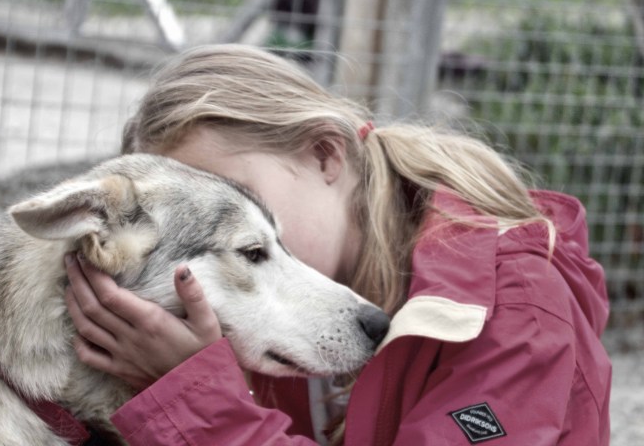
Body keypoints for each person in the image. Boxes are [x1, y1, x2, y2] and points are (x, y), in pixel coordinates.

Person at [64, 44, 612, 445]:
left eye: (246, 211)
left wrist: (196, 398)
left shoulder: (516, 305)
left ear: (326, 155)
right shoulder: (254, 299)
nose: (230, 244)